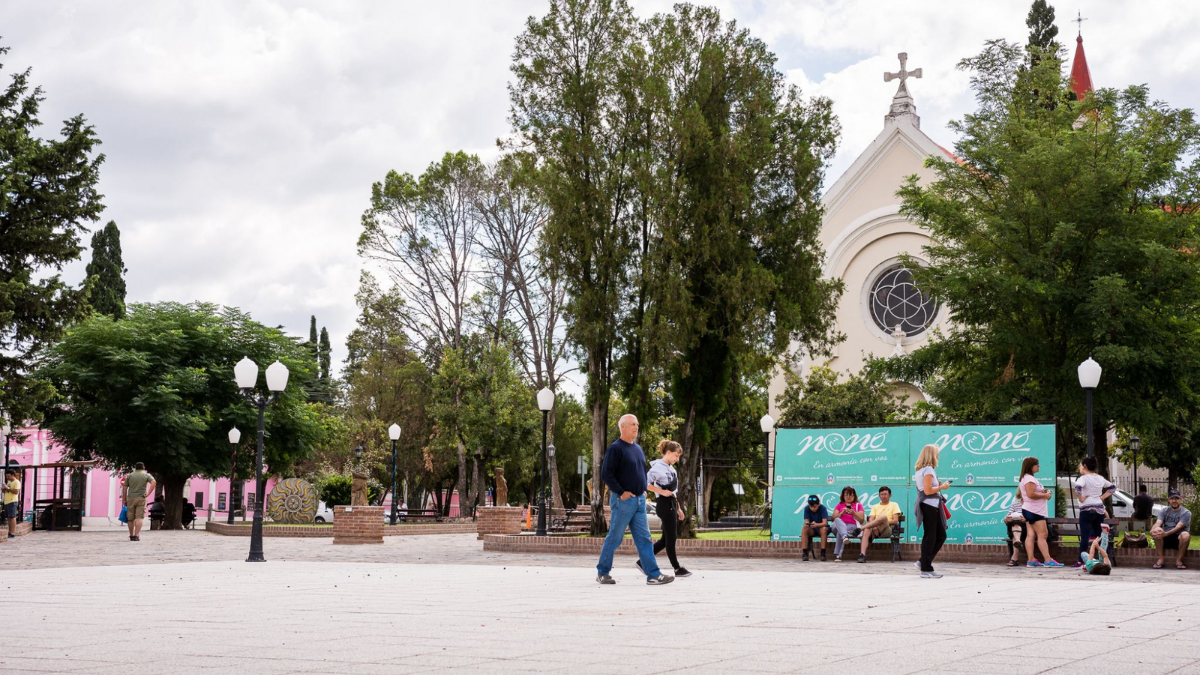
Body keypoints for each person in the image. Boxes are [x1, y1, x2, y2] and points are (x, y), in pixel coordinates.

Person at [595, 414, 673, 586]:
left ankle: (653, 575)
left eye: (637, 424)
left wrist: (644, 490)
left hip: (639, 501)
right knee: (615, 537)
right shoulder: (616, 448)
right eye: (632, 424)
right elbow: (606, 474)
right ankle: (602, 572)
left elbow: (641, 473)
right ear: (623, 426)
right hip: (623, 501)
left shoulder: (637, 449)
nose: (636, 427)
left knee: (645, 538)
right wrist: (622, 492)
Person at [645, 440, 689, 578]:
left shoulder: (671, 469)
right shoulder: (657, 467)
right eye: (676, 455)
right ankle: (676, 568)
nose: (677, 459)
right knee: (672, 537)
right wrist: (661, 491)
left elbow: (674, 492)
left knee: (665, 540)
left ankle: (643, 561)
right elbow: (644, 483)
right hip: (663, 504)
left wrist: (679, 508)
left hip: (671, 503)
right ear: (668, 453)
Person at [914, 444, 950, 578]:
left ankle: (923, 562)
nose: (938, 456)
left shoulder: (921, 469)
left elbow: (926, 488)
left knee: (939, 535)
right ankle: (926, 568)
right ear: (931, 455)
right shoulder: (928, 469)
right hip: (929, 505)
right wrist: (942, 487)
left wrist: (938, 485)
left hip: (928, 505)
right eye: (937, 453)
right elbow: (928, 491)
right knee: (931, 536)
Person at [1073, 457, 1115, 567]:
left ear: (1085, 466)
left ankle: (1081, 561)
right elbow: (1112, 488)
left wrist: (1082, 498)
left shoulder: (1083, 478)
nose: (1080, 467)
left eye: (1081, 465)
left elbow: (1077, 488)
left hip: (1086, 509)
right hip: (1099, 509)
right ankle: (1103, 559)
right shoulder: (1100, 478)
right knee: (1099, 536)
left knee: (1085, 536)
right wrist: (1102, 497)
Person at [1019, 457, 1061, 567]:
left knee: (1031, 535)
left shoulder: (1027, 478)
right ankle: (1048, 560)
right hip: (1034, 511)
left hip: (1030, 510)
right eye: (1037, 464)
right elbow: (1030, 494)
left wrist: (1043, 491)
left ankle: (1031, 560)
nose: (1039, 466)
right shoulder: (1029, 479)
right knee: (1043, 534)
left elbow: (1032, 492)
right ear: (1030, 466)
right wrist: (1045, 495)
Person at [1150, 489, 1192, 570]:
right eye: (1172, 499)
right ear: (1169, 500)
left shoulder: (1186, 513)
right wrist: (1152, 530)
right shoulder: (1164, 511)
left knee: (1185, 535)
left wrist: (1165, 534)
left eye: (1176, 499)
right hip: (1165, 538)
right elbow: (1158, 523)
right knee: (1157, 530)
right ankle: (1161, 559)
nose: (1174, 501)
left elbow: (1178, 527)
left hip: (1179, 539)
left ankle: (1179, 560)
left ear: (1180, 500)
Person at [858, 486, 901, 563]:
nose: (883, 496)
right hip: (875, 530)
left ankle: (860, 528)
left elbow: (895, 521)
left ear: (890, 495)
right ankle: (862, 555)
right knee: (867, 529)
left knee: (883, 517)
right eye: (882, 494)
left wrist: (882, 521)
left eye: (885, 494)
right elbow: (871, 518)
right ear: (879, 495)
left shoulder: (894, 505)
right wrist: (874, 527)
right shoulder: (875, 506)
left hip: (887, 529)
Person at [122, 462, 156, 541]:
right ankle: (136, 535)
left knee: (130, 518)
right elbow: (154, 482)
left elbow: (124, 488)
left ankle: (131, 535)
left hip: (130, 498)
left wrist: (124, 499)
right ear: (143, 467)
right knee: (139, 517)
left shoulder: (130, 476)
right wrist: (148, 493)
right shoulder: (146, 475)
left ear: (135, 468)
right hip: (141, 497)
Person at [830, 486, 864, 562]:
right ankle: (845, 536)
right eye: (846, 495)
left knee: (841, 532)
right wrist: (841, 513)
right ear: (843, 496)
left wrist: (853, 513)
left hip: (851, 527)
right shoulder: (839, 505)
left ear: (854, 496)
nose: (848, 497)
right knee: (838, 520)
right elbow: (833, 518)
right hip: (837, 526)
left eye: (850, 495)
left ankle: (838, 555)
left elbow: (861, 520)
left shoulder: (858, 505)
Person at [800, 494, 829, 562]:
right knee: (804, 528)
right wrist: (808, 524)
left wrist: (816, 525)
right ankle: (805, 553)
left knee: (824, 529)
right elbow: (806, 521)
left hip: (820, 528)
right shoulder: (806, 508)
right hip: (812, 529)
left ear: (818, 504)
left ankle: (823, 554)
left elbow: (825, 523)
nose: (813, 508)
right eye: (811, 506)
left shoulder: (823, 508)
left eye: (815, 506)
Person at [1004, 489, 1026, 566]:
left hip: (1027, 529)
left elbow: (1037, 519)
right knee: (1014, 523)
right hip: (1014, 527)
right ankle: (1018, 541)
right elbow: (1006, 519)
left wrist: (1025, 520)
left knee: (1015, 534)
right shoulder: (1015, 504)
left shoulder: (1032, 504)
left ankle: (1014, 559)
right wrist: (1006, 519)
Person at [3, 469, 20, 538]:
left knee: (12, 517)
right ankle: (9, 531)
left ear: (13, 475)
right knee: (8, 517)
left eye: (9, 476)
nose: (8, 478)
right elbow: (7, 490)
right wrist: (4, 488)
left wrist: (7, 488)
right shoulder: (9, 482)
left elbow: (16, 492)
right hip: (7, 501)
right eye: (7, 476)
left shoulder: (16, 482)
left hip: (12, 501)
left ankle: (12, 533)